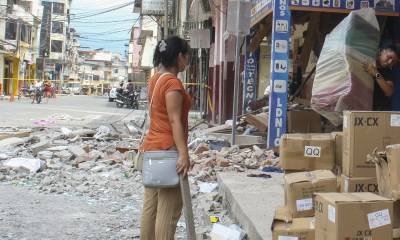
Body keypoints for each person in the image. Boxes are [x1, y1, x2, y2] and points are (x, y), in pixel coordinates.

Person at [140, 36, 191, 240]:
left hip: (151, 150)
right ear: (179, 57)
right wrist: (184, 153)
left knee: (151, 208)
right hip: (168, 151)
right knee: (168, 211)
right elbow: (174, 121)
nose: (187, 61)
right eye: (187, 57)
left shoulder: (155, 79)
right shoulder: (172, 84)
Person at [364, 45, 399, 110]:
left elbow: (389, 91)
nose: (390, 62)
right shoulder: (368, 58)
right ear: (382, 51)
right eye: (389, 57)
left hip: (379, 110)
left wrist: (376, 74)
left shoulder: (387, 72)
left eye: (393, 62)